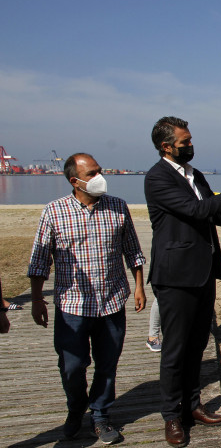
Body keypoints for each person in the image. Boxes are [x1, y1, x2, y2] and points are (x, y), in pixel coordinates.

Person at [145, 116, 221, 447]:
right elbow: (195, 210)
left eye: (190, 139)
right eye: (184, 142)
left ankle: (192, 405)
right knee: (175, 350)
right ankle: (173, 417)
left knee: (197, 345)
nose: (190, 145)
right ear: (166, 146)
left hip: (202, 272)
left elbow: (214, 215)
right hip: (175, 277)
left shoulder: (194, 175)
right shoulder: (157, 179)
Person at [28, 153, 146, 444]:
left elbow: (133, 250)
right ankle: (75, 409)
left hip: (112, 301)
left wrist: (140, 285)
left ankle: (101, 414)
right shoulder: (53, 212)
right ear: (75, 181)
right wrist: (36, 299)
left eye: (99, 171)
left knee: (108, 363)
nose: (100, 177)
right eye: (92, 173)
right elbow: (40, 260)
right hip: (72, 306)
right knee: (72, 365)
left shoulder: (118, 207)